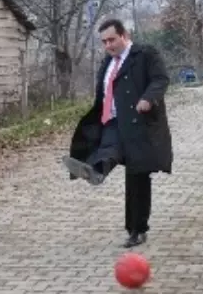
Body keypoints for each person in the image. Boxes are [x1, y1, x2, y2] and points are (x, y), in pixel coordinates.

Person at [64, 19, 172, 248]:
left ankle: (137, 229)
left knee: (137, 179)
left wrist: (148, 98)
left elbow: (160, 79)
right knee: (107, 149)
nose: (108, 45)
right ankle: (95, 171)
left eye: (112, 40)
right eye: (104, 42)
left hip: (140, 124)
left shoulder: (144, 54)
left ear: (124, 35)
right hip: (113, 120)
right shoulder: (107, 63)